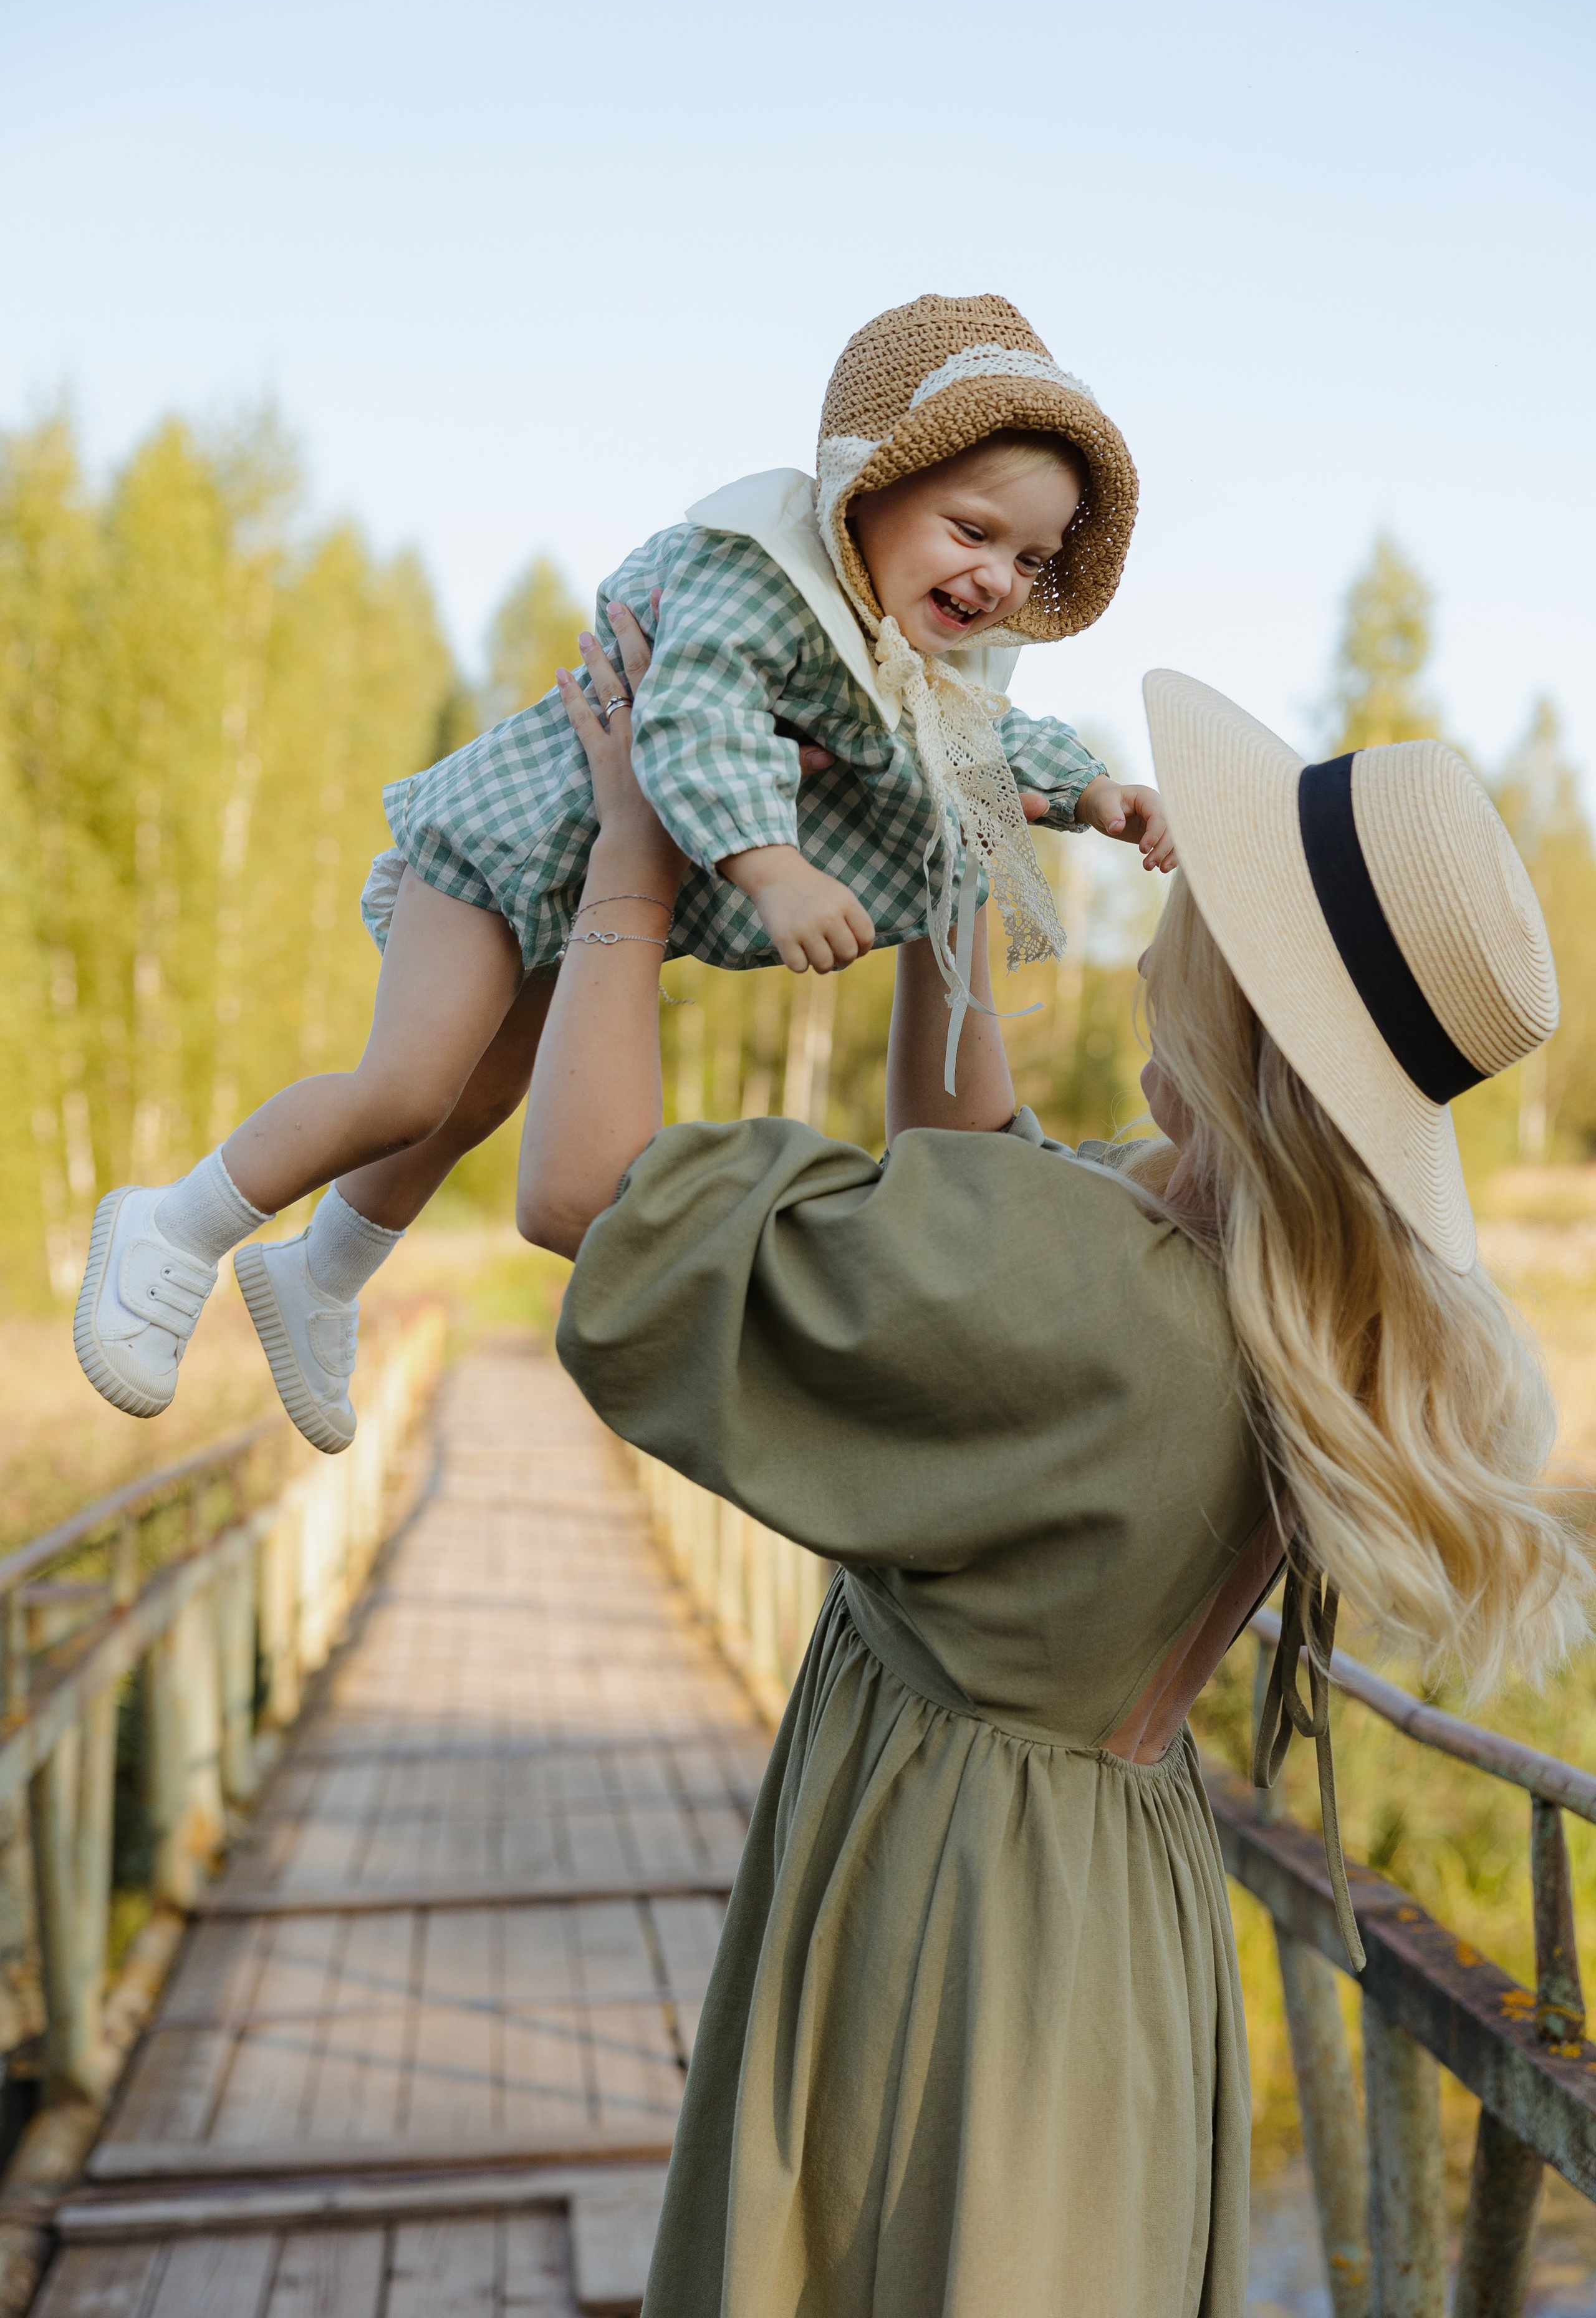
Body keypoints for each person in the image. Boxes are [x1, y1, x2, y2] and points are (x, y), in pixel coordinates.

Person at [521, 628, 1587, 2317]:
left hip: (952, 1930)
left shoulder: (1104, 1294)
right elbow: (977, 1198)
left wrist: (630, 860)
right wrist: (960, 848)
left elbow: (591, 1197)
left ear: (1227, 988)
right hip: (1112, 1921)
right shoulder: (1273, 1301)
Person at [74, 292, 1171, 1454]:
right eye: (974, 531)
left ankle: (322, 1273)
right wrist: (775, 870)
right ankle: (175, 1224)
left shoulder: (905, 650)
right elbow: (692, 722)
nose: (1001, 577)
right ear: (869, 490)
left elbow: (980, 739)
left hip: (573, 886)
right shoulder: (757, 580)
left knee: (474, 1101)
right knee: (405, 1084)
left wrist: (1094, 795)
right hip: (505, 846)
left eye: (1032, 558)